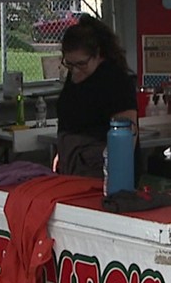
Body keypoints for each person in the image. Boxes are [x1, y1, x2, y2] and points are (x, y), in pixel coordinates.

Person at [53, 14, 138, 177]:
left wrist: (116, 174)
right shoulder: (74, 77)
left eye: (81, 64)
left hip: (99, 167)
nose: (76, 70)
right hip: (73, 163)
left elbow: (127, 132)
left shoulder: (115, 80)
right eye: (69, 64)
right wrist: (62, 152)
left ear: (98, 54)